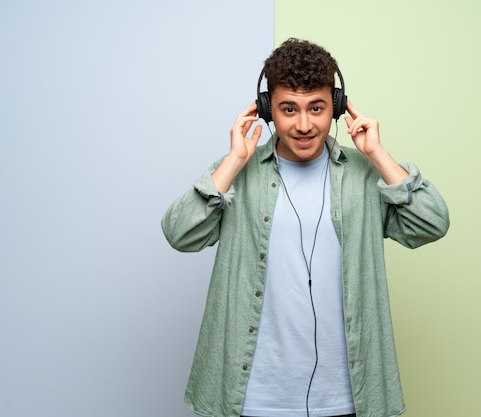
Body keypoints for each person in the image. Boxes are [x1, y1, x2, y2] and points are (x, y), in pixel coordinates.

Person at [162, 38, 449, 417]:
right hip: (252, 396)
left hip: (346, 397)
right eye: (287, 109)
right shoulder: (238, 173)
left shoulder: (366, 177)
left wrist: (378, 154)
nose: (303, 125)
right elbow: (179, 234)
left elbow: (432, 224)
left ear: (336, 107)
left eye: (316, 108)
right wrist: (233, 160)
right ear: (267, 111)